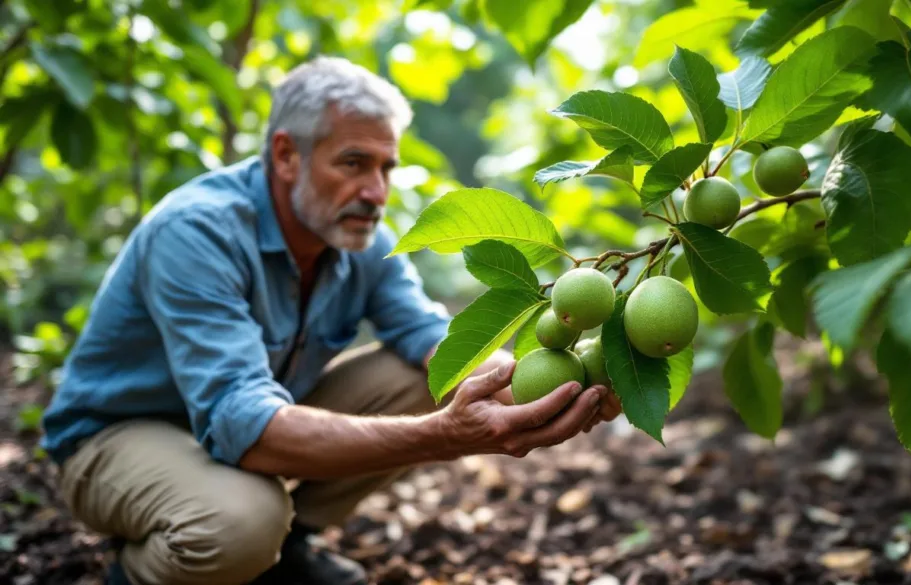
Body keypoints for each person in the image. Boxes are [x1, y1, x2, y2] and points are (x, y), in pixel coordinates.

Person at [40, 56, 621, 585]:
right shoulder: (198, 232)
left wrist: (550, 383)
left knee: (433, 373)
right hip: (116, 438)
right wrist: (442, 436)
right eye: (353, 163)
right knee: (242, 522)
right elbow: (241, 423)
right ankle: (139, 571)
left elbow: (430, 337)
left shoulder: (358, 236)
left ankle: (286, 550)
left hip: (233, 430)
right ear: (287, 155)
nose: (376, 192)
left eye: (386, 169)